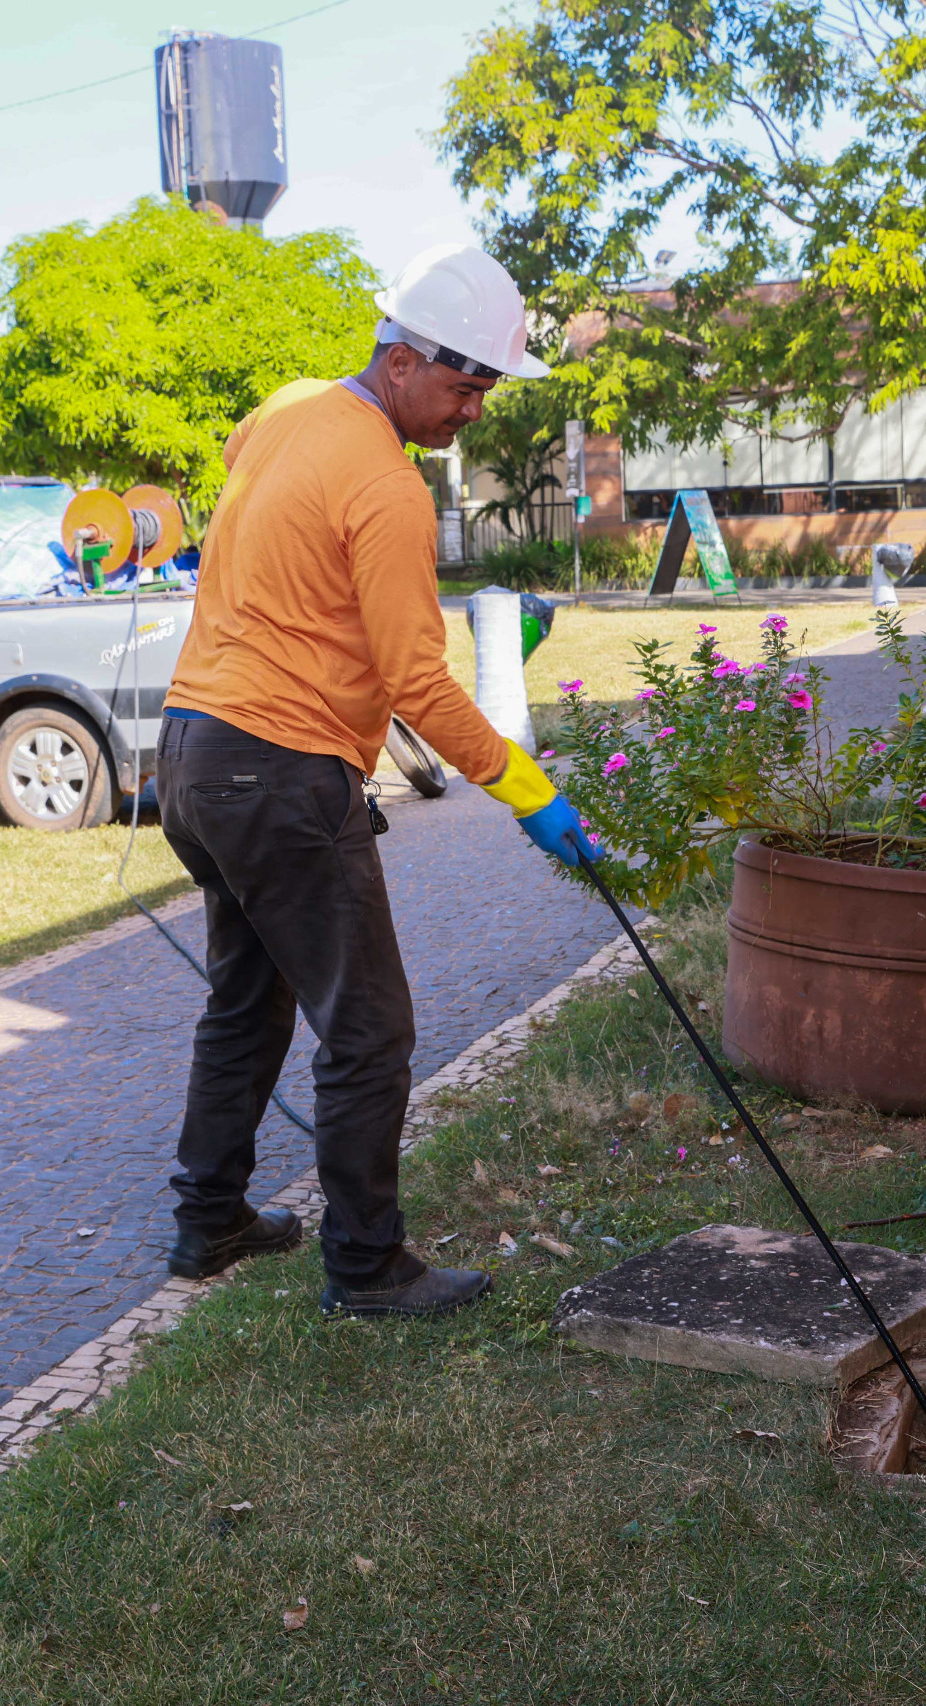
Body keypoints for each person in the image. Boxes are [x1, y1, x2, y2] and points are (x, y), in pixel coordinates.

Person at [155, 244, 598, 1318]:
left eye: (489, 388)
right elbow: (418, 684)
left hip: (192, 751)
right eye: (463, 384)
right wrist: (530, 790)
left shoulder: (290, 406)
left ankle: (209, 1219)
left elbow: (241, 461)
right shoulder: (388, 489)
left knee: (248, 1000)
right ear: (400, 359)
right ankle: (365, 1266)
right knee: (368, 1028)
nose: (474, 410)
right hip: (279, 769)